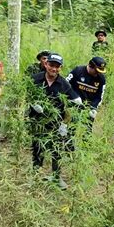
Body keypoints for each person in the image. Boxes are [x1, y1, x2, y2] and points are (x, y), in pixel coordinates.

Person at [28, 53, 82, 190]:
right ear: (46, 64)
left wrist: (65, 123)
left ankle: (57, 177)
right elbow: (27, 94)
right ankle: (35, 176)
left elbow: (74, 104)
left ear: (60, 68)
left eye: (57, 67)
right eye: (52, 65)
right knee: (37, 148)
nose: (54, 69)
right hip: (37, 122)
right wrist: (33, 104)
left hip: (56, 124)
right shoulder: (35, 79)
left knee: (56, 150)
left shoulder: (64, 84)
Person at [66, 56, 106, 128]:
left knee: (86, 132)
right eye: (96, 71)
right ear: (90, 66)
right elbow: (66, 85)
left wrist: (93, 108)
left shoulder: (101, 79)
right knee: (71, 129)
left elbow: (99, 97)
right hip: (73, 106)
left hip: (88, 110)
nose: (97, 73)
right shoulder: (77, 71)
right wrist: (74, 97)